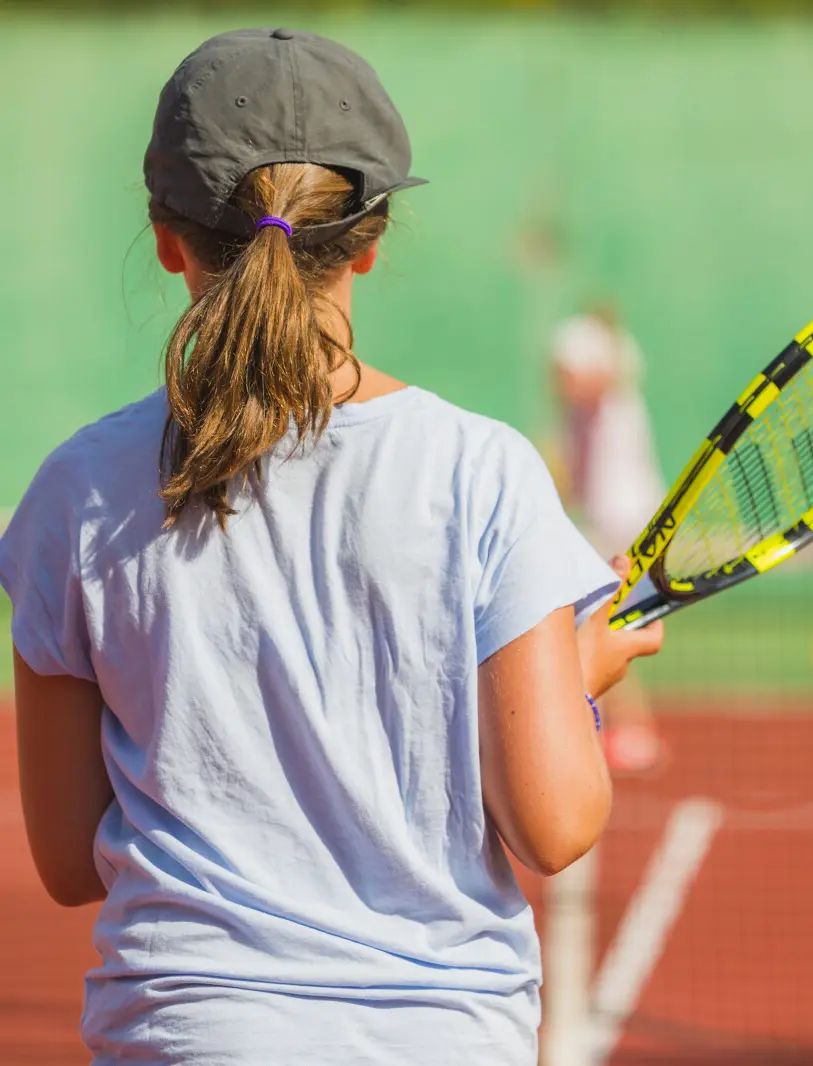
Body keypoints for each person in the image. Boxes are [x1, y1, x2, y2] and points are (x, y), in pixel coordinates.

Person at [0, 29, 663, 1066]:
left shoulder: (74, 491)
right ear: (369, 239)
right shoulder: (482, 472)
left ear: (168, 238)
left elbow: (69, 855)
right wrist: (576, 676)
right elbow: (556, 820)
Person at [549, 302, 668, 774]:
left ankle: (634, 728)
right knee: (598, 620)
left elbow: (595, 382)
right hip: (605, 519)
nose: (561, 379)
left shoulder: (609, 398)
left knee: (606, 620)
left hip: (625, 520)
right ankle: (628, 724)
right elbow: (573, 478)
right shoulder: (580, 418)